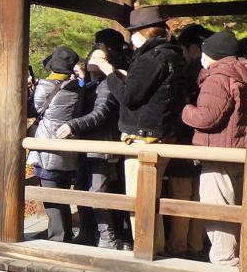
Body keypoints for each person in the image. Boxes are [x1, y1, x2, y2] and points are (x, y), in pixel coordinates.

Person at [91, 17, 186, 254]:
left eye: (133, 31)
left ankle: (147, 250)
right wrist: (125, 76)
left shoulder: (150, 57)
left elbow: (129, 98)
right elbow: (150, 90)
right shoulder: (173, 53)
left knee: (140, 199)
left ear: (143, 33)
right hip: (163, 133)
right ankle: (156, 248)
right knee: (151, 197)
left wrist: (109, 73)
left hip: (144, 137)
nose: (131, 37)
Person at [182, 30, 247, 266]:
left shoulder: (218, 77)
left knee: (218, 207)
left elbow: (207, 118)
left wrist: (185, 109)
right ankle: (237, 259)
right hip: (237, 150)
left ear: (212, 55)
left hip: (218, 152)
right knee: (236, 206)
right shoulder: (240, 73)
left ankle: (224, 261)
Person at [56, 44, 121, 248]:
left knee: (97, 192)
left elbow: (101, 114)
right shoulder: (87, 85)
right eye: (93, 57)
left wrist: (73, 125)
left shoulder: (107, 84)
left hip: (100, 147)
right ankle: (87, 232)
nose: (96, 61)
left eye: (102, 58)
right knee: (82, 188)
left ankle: (108, 238)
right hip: (84, 146)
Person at [165, 23, 214, 259]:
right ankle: (196, 245)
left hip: (185, 141)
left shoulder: (187, 74)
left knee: (182, 195)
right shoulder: (212, 75)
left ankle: (178, 247)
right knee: (198, 195)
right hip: (207, 146)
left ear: (194, 49)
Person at [28, 46, 82, 242]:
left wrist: (28, 90)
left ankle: (58, 238)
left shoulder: (45, 87)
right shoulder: (76, 88)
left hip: (48, 151)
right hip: (69, 150)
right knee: (63, 196)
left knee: (51, 199)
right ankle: (66, 234)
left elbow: (29, 110)